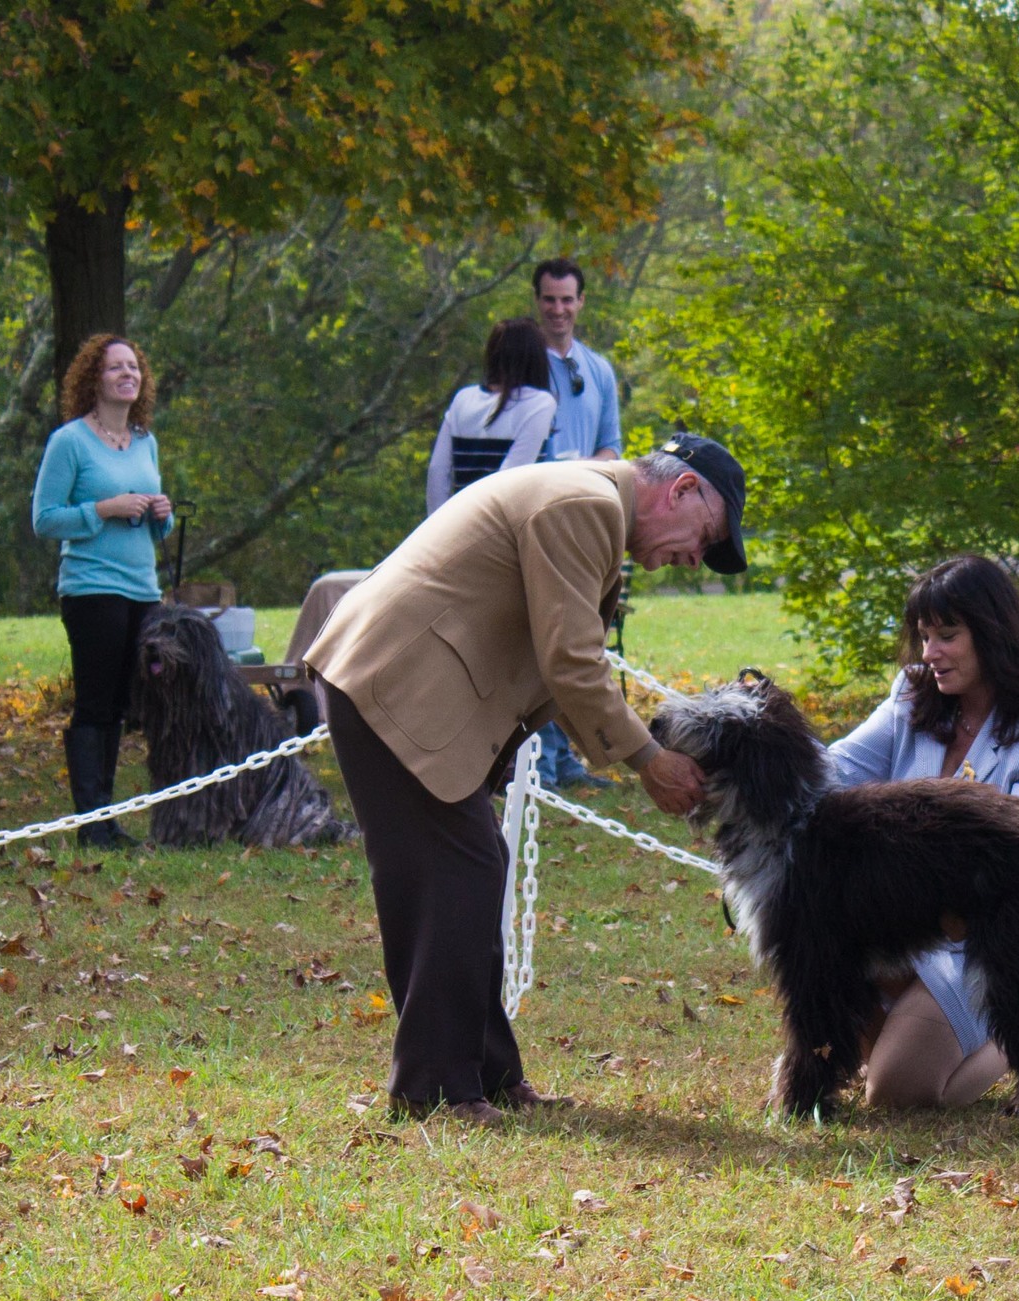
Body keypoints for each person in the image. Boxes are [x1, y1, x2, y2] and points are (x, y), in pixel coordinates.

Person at [307, 435, 746, 1124]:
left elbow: (543, 653)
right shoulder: (585, 505)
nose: (694, 558)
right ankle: (433, 1087)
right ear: (683, 490)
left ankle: (487, 1072)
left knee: (475, 867)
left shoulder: (585, 499)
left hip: (404, 685)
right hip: (392, 685)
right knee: (458, 872)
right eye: (707, 536)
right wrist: (647, 760)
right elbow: (572, 660)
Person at [827, 555, 1019, 1108]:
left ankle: (1017, 1030)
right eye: (923, 637)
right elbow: (834, 772)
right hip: (896, 930)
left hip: (979, 949)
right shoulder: (910, 695)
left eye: (947, 635)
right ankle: (918, 1033)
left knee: (897, 1095)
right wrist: (759, 757)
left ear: (993, 634)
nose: (929, 654)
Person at [33, 333, 174, 848]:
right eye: (116, 368)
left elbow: (159, 528)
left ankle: (110, 817)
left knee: (130, 704)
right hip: (92, 590)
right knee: (97, 704)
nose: (127, 375)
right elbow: (44, 520)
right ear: (94, 378)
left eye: (133, 367)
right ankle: (92, 824)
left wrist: (164, 514)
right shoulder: (69, 441)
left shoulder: (145, 442)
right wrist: (104, 510)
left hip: (143, 589)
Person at [425, 319, 558, 515]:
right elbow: (508, 479)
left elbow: (438, 471)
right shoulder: (539, 403)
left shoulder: (464, 399)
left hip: (460, 524)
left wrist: (438, 526)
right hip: (506, 531)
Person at [532, 258, 623, 463]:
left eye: (567, 300)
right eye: (549, 299)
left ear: (581, 300)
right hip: (529, 492)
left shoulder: (600, 370)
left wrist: (584, 469)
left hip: (580, 491)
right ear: (536, 299)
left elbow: (611, 446)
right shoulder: (518, 365)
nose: (558, 309)